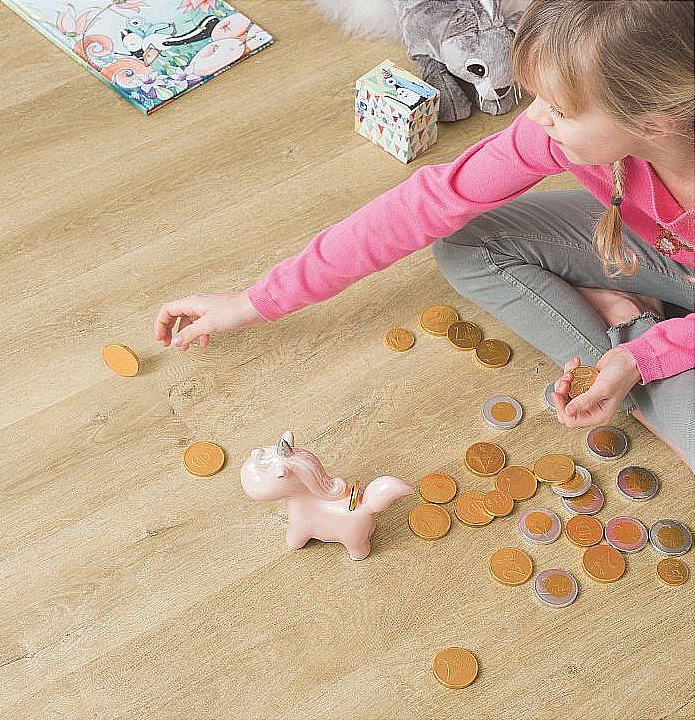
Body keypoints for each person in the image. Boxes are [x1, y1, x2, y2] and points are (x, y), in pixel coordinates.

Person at [153, 0, 694, 466]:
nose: (536, 119)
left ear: (654, 119)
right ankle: (637, 337)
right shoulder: (556, 133)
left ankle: (634, 334)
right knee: (465, 241)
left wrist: (642, 356)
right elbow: (427, 204)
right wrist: (254, 301)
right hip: (665, 250)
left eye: (559, 109)